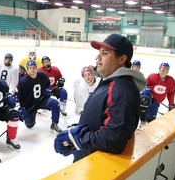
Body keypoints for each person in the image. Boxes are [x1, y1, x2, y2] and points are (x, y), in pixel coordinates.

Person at [54, 34, 146, 162]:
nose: (98, 57)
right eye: (99, 52)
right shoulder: (110, 82)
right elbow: (99, 118)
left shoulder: (122, 90)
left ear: (122, 59)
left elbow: (114, 140)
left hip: (95, 166)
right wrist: (76, 131)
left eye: (105, 53)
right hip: (87, 158)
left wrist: (80, 138)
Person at [17, 60, 62, 133]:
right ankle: (33, 114)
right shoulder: (23, 81)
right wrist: (23, 108)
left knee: (55, 103)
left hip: (42, 100)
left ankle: (54, 124)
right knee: (29, 125)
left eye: (34, 67)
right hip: (30, 104)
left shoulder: (42, 75)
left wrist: (48, 89)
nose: (32, 69)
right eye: (30, 68)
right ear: (27, 69)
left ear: (36, 68)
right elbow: (21, 97)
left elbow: (47, 84)